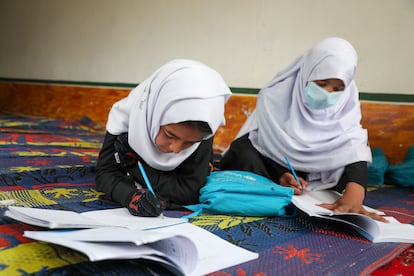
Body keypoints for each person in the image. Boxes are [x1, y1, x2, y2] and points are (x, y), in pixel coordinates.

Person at [220, 37, 386, 221]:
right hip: (274, 163)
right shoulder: (274, 96)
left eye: (338, 88)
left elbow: (353, 147)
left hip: (321, 172)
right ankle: (278, 184)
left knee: (352, 174)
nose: (328, 94)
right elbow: (256, 142)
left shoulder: (345, 105)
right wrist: (280, 175)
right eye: (321, 84)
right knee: (243, 155)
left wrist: (356, 193)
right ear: (306, 73)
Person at [95, 59, 232, 217]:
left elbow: (189, 191)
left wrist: (133, 166)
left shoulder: (203, 129)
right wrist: (129, 196)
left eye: (190, 143)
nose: (176, 149)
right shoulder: (126, 119)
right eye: (169, 134)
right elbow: (105, 172)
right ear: (155, 112)